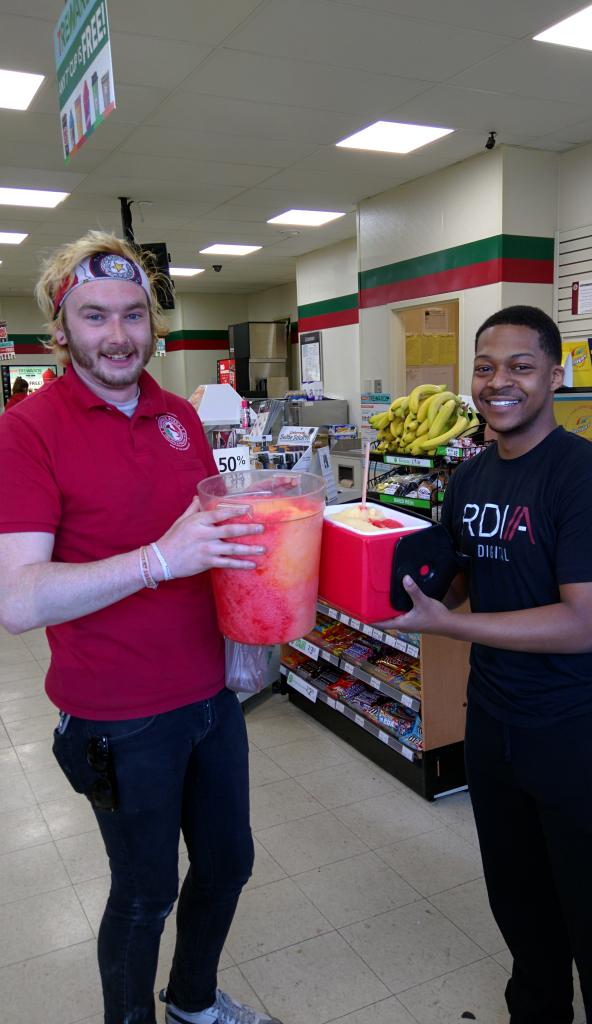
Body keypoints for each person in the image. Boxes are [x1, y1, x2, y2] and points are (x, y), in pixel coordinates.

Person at [0, 231, 283, 1024]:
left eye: (133, 314)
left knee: (228, 863)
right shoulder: (28, 431)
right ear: (60, 329)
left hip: (212, 698)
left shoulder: (177, 416)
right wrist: (158, 559)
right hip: (118, 718)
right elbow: (17, 601)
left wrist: (255, 601)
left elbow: (206, 543)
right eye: (95, 316)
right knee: (145, 893)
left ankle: (193, 1001)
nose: (119, 334)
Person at [384, 305, 592, 1024]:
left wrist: (455, 625)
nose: (499, 382)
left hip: (573, 729)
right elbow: (464, 576)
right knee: (520, 902)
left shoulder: (579, 475)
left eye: (521, 366)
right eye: (485, 366)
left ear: (555, 377)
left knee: (586, 907)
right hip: (494, 726)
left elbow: (582, 622)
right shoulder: (469, 479)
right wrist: (392, 577)